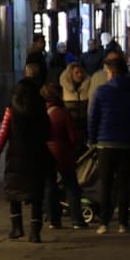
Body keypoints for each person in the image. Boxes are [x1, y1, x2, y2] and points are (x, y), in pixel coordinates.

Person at [0, 77, 52, 241]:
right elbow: (48, 132)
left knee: (14, 192)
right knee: (36, 194)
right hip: (37, 155)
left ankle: (16, 228)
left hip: (16, 156)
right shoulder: (41, 108)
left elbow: (2, 136)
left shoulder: (11, 110)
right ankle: (35, 232)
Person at [86, 52, 130, 234]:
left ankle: (104, 222)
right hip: (126, 143)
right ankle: (123, 223)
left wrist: (93, 138)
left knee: (106, 183)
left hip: (105, 143)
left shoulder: (101, 91)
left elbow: (93, 117)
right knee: (124, 183)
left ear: (110, 72)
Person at [43, 83, 85, 229]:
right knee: (71, 186)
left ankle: (54, 220)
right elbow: (73, 137)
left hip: (46, 153)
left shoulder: (42, 112)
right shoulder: (63, 113)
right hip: (63, 153)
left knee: (50, 186)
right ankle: (77, 220)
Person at [59, 61, 92, 145]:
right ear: (70, 75)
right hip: (71, 128)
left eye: (81, 72)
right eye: (76, 73)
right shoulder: (66, 89)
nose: (79, 75)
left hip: (85, 127)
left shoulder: (87, 86)